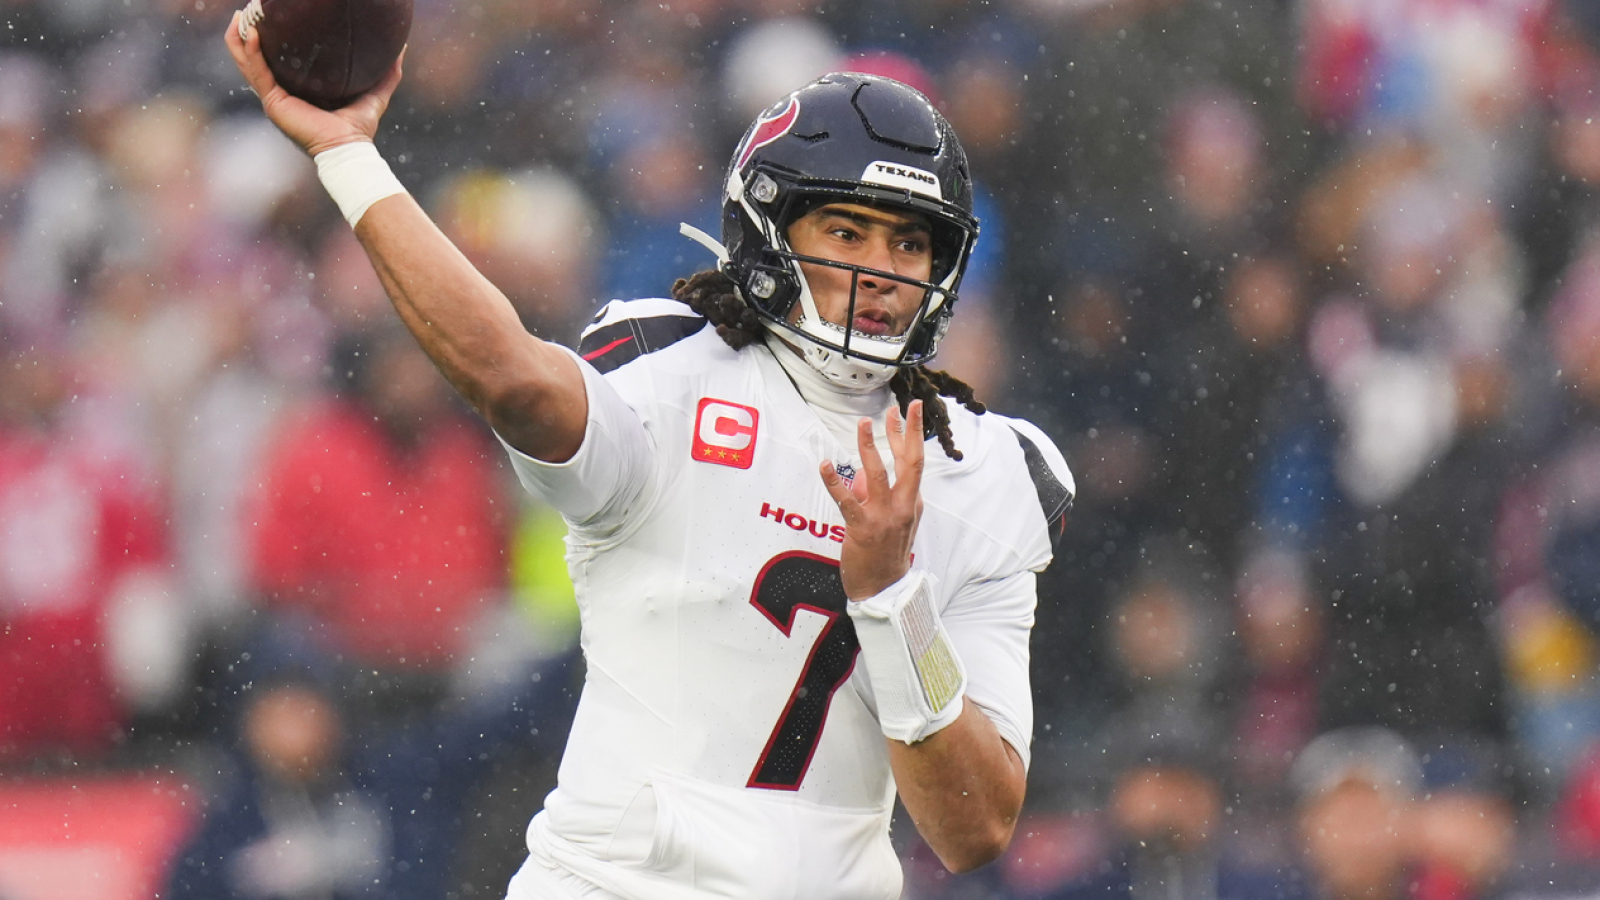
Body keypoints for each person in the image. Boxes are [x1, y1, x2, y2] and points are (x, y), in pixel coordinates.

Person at [225, 19, 1073, 900]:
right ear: (771, 228)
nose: (883, 271)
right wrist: (349, 157)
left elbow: (973, 827)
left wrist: (895, 602)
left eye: (909, 243)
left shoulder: (986, 471)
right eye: (847, 232)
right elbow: (513, 378)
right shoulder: (672, 374)